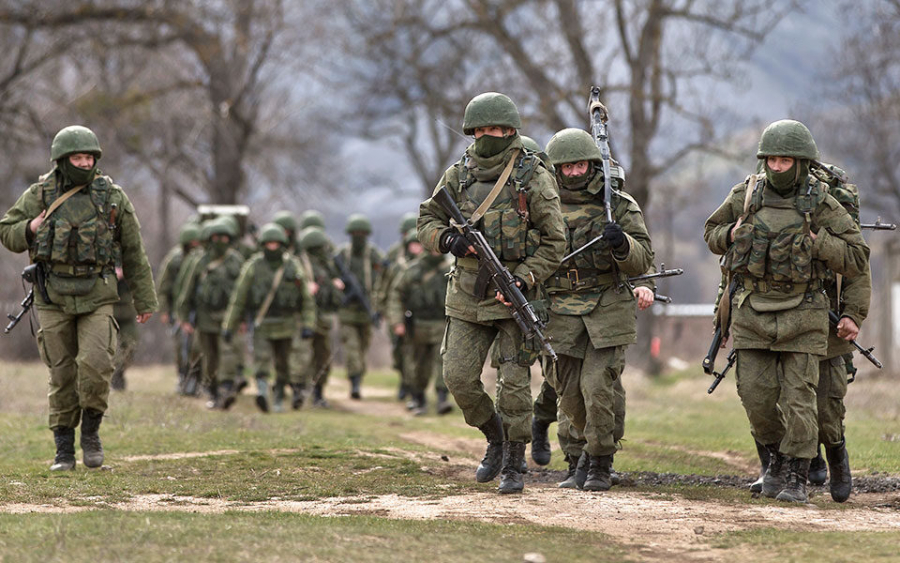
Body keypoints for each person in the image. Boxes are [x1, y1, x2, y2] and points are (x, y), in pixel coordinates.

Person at [704, 119, 869, 503]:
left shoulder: (821, 202)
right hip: (752, 311)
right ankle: (775, 462)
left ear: (802, 162)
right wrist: (729, 234)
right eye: (771, 159)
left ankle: (797, 476)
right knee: (755, 396)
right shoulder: (746, 194)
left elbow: (858, 257)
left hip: (805, 309)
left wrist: (819, 243)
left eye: (785, 160)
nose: (776, 167)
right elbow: (712, 233)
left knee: (802, 399)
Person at [417, 92, 566, 493]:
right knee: (458, 377)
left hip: (516, 295)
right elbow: (427, 219)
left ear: (511, 131)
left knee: (515, 385)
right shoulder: (458, 174)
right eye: (480, 130)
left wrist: (524, 278)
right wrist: (448, 239)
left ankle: (515, 463)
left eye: (495, 130)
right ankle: (494, 436)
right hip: (467, 295)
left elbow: (555, 240)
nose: (487, 137)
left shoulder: (532, 175)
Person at [0, 125, 157, 470]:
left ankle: (91, 432)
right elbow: (6, 231)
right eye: (78, 158)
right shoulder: (40, 194)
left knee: (97, 365)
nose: (84, 164)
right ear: (62, 160)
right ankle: (63, 449)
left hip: (97, 294)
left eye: (89, 157)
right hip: (52, 295)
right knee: (61, 373)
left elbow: (134, 251)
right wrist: (30, 228)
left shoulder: (112, 196)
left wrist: (144, 300)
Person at [539, 128, 655, 491]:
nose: (573, 173)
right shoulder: (542, 203)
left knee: (597, 386)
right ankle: (578, 459)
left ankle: (601, 462)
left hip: (607, 303)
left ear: (592, 164)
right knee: (567, 389)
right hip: (559, 306)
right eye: (566, 167)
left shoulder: (618, 203)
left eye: (580, 165)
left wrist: (622, 244)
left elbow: (643, 258)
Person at [222, 223, 316, 412]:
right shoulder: (253, 266)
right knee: (261, 360)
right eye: (268, 244)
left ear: (282, 244)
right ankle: (263, 393)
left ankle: (279, 398)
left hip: (287, 323)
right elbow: (238, 299)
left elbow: (306, 299)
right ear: (262, 244)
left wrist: (308, 324)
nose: (272, 247)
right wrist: (228, 325)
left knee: (283, 364)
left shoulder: (292, 265)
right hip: (262, 322)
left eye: (275, 243)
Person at [176, 218, 245, 409]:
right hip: (205, 317)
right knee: (210, 358)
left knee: (228, 354)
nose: (220, 240)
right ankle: (214, 392)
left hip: (228, 316)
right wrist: (183, 317)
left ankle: (226, 389)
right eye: (216, 236)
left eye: (224, 237)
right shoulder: (200, 261)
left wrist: (244, 318)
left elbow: (244, 291)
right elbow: (187, 290)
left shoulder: (236, 261)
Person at [387, 230, 454, 415]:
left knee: (443, 362)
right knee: (418, 365)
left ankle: (442, 398)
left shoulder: (450, 269)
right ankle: (419, 399)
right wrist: (397, 322)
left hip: (441, 323)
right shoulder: (412, 270)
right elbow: (396, 296)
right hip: (417, 324)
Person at [336, 213, 384, 399]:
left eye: (362, 233)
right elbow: (332, 273)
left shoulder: (373, 255)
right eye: (355, 233)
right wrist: (339, 285)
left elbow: (383, 279)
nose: (358, 236)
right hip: (347, 311)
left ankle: (358, 377)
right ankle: (354, 383)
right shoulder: (342, 255)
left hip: (366, 310)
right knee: (352, 349)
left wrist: (378, 306)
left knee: (362, 348)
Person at [297, 226, 345, 407]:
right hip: (305, 319)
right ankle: (299, 389)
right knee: (302, 356)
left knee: (323, 357)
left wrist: (335, 286)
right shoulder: (301, 265)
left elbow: (337, 298)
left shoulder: (328, 266)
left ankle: (318, 392)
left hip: (324, 319)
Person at [378, 211, 419, 401]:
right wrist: (381, 307)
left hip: (416, 309)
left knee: (413, 350)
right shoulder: (393, 254)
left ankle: (412, 386)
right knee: (398, 349)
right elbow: (384, 282)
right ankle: (404, 378)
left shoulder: (423, 253)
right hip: (395, 308)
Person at [157, 222, 202, 393]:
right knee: (180, 346)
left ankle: (196, 380)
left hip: (197, 311)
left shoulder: (203, 259)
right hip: (178, 309)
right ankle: (183, 377)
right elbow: (164, 287)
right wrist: (164, 311)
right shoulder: (174, 260)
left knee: (196, 348)